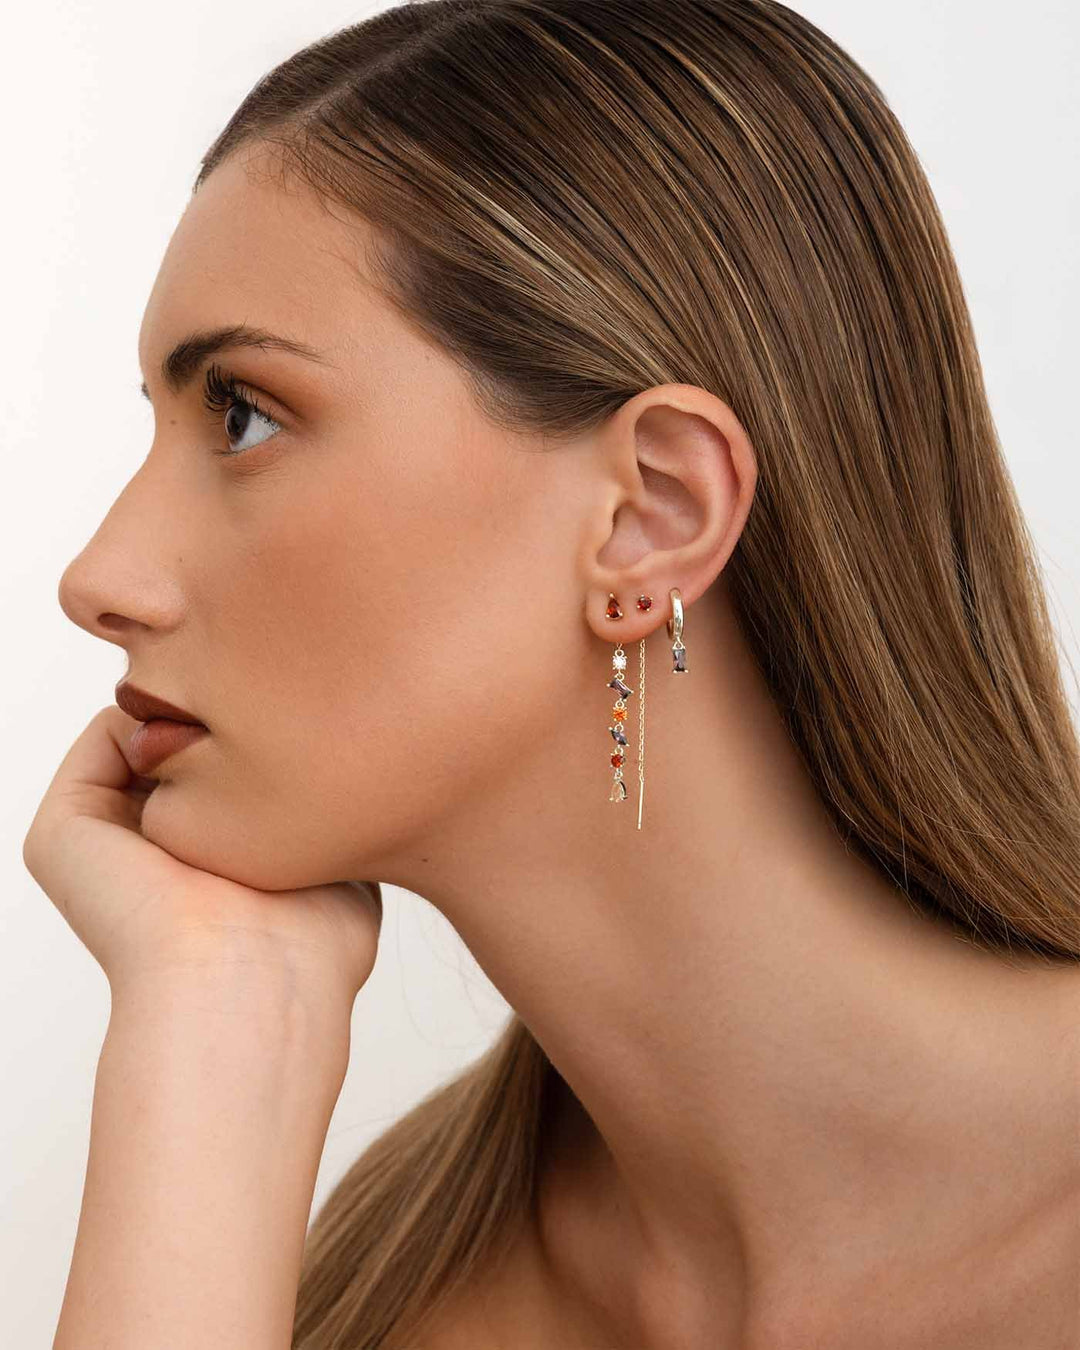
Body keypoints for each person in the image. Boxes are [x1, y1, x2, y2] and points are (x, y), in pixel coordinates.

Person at [23, 1, 1080, 1346]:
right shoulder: (389, 1285)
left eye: (242, 415)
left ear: (651, 514)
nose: (99, 578)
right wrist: (216, 1028)